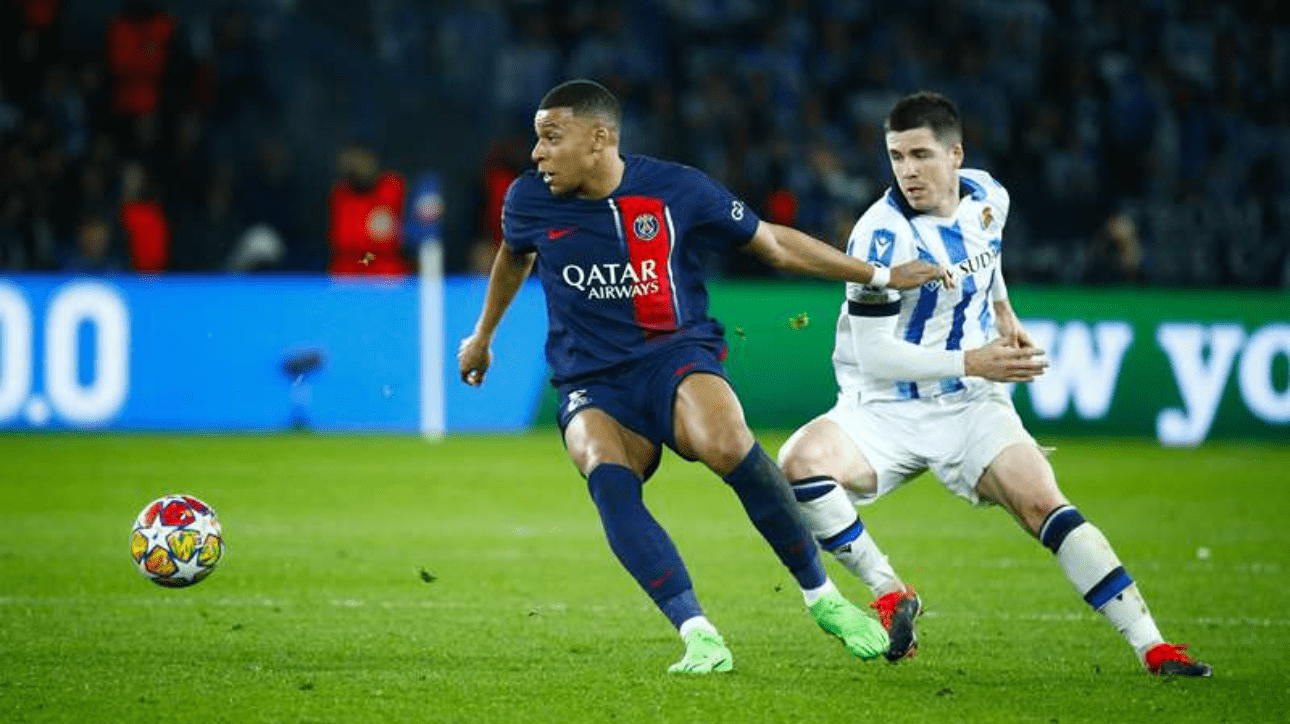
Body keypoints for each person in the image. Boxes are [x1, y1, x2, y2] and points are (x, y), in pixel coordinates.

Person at [456, 79, 948, 674]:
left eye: (550, 139)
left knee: (726, 444)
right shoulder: (528, 201)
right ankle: (698, 633)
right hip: (592, 379)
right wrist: (483, 336)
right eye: (537, 141)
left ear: (600, 139)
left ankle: (825, 600)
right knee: (605, 473)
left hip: (675, 356)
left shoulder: (676, 188)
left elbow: (773, 244)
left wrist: (880, 276)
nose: (536, 154)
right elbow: (515, 254)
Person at [776, 91, 1212, 677]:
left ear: (956, 154)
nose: (908, 171)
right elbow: (877, 356)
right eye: (897, 156)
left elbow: (989, 264)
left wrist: (1005, 316)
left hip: (969, 405)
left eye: (922, 155)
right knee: (800, 462)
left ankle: (1153, 646)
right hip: (883, 406)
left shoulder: (989, 198)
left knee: (1041, 502)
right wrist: (973, 360)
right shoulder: (879, 237)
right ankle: (889, 593)